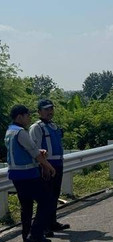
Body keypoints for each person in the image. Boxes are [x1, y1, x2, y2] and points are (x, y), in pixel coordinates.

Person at [4, 105, 57, 242]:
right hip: (28, 174)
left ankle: (26, 236)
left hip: (15, 175)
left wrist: (38, 152)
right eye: (27, 115)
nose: (29, 118)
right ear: (19, 116)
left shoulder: (10, 131)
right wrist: (48, 166)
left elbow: (23, 150)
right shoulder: (21, 132)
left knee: (26, 206)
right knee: (46, 201)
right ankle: (36, 233)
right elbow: (34, 152)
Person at [30, 99, 70, 234]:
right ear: (39, 112)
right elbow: (34, 149)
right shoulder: (37, 127)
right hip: (46, 165)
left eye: (51, 109)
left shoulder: (53, 126)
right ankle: (44, 226)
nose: (49, 112)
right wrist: (43, 165)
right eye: (46, 109)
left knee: (54, 195)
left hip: (58, 163)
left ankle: (52, 222)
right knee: (46, 196)